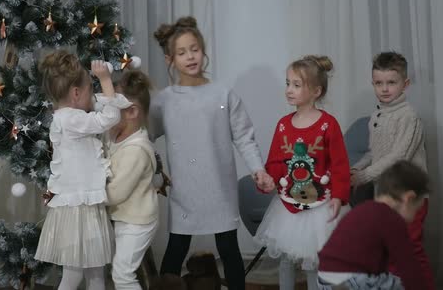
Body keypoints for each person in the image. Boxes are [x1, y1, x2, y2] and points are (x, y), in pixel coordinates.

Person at [149, 16, 273, 290]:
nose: (190, 57)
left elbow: (244, 136)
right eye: (182, 52)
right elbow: (145, 136)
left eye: (194, 49)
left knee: (228, 248)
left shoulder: (222, 94)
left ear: (203, 50)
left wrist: (258, 169)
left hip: (219, 188)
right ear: (170, 59)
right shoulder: (164, 101)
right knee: (176, 249)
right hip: (184, 191)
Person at [34, 51, 131, 290]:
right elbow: (109, 117)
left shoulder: (67, 115)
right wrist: (106, 79)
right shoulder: (71, 119)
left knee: (96, 273)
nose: (94, 93)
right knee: (75, 275)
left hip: (85, 203)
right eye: (91, 88)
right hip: (79, 207)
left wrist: (96, 88)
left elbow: (99, 103)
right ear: (76, 94)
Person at [255, 55, 350, 290]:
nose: (289, 90)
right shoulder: (283, 125)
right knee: (287, 259)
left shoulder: (329, 124)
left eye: (297, 85)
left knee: (314, 261)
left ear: (316, 91)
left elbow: (339, 164)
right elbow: (276, 162)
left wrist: (339, 196)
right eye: (288, 83)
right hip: (289, 205)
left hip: (321, 205)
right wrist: (266, 179)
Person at [350, 51, 434, 289]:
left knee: (410, 249)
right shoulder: (377, 114)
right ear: (373, 83)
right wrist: (355, 170)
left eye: (391, 83)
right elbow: (375, 153)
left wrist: (364, 176)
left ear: (405, 84)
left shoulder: (409, 117)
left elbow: (398, 156)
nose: (385, 89)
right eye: (379, 83)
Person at [318, 160, 430, 290]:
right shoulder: (392, 219)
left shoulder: (362, 210)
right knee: (398, 284)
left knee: (384, 277)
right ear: (408, 199)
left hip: (324, 279)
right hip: (351, 280)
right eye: (416, 210)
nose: (413, 217)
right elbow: (408, 266)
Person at [106, 69, 158, 289]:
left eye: (113, 107)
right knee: (120, 269)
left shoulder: (136, 150)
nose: (107, 112)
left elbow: (116, 193)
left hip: (138, 221)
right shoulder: (115, 137)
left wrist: (88, 195)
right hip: (125, 217)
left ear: (131, 112)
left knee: (123, 274)